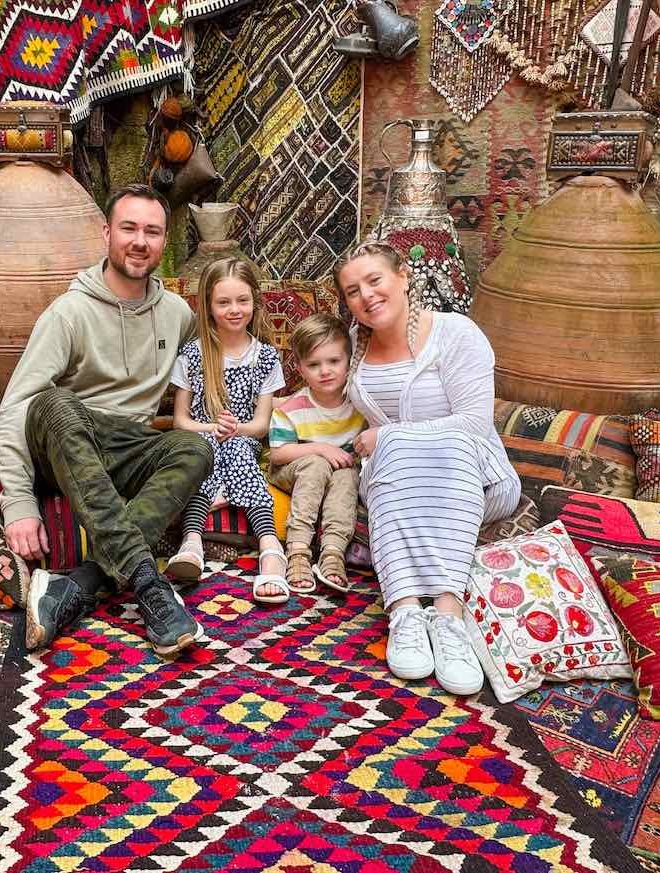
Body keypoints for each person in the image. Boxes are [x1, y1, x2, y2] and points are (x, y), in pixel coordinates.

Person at [0, 184, 214, 657]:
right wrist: (18, 503)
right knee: (54, 402)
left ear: (164, 241)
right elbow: (16, 405)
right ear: (107, 233)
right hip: (68, 442)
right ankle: (149, 587)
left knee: (195, 448)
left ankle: (77, 585)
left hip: (128, 445)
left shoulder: (177, 315)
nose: (140, 241)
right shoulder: (68, 313)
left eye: (152, 232)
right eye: (129, 228)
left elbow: (211, 370)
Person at [335, 242, 520, 693]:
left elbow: (475, 424)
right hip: (398, 483)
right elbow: (315, 398)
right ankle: (405, 613)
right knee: (389, 455)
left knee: (430, 443)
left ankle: (448, 615)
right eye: (353, 291)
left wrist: (390, 436)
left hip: (475, 475)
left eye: (375, 280)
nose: (366, 296)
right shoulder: (354, 347)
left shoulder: (454, 333)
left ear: (403, 278)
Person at [164, 257, 289, 603]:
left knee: (234, 446)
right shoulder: (193, 354)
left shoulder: (264, 357)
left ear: (254, 301)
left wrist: (235, 429)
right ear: (208, 306)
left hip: (244, 439)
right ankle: (192, 544)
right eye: (223, 302)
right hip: (201, 438)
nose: (234, 309)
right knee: (204, 449)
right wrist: (213, 427)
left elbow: (261, 424)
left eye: (242, 300)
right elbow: (181, 421)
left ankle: (268, 545)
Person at [267, 313, 366, 595]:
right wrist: (322, 448)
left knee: (347, 475)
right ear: (299, 367)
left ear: (349, 360)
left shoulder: (359, 403)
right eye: (314, 364)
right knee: (316, 465)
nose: (325, 371)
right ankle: (298, 551)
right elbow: (278, 454)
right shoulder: (292, 409)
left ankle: (333, 553)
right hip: (293, 469)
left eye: (334, 361)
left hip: (340, 473)